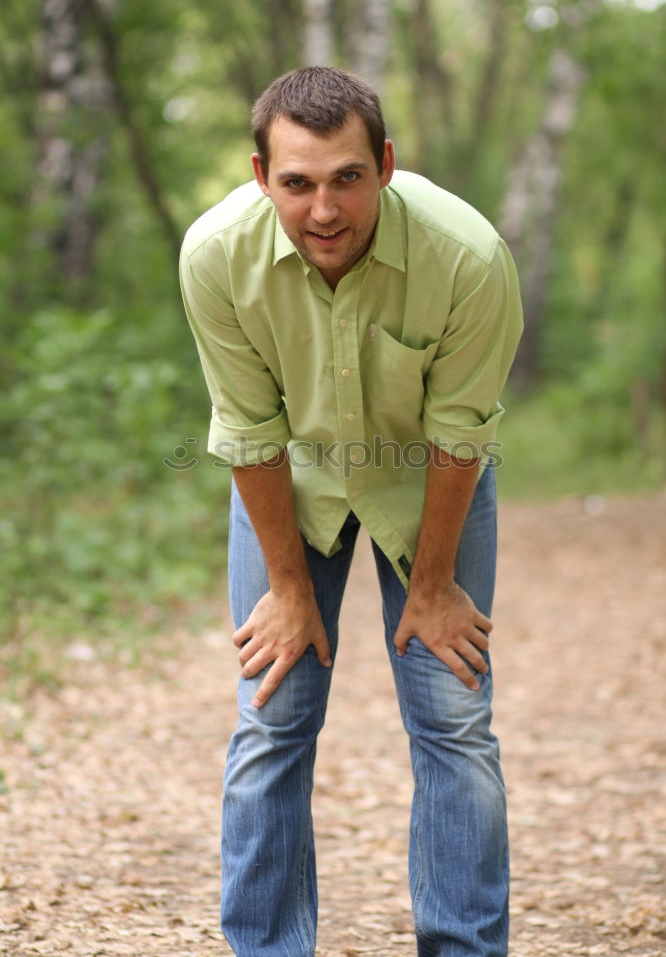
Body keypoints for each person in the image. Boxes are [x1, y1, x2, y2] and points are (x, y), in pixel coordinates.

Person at [179, 66, 523, 957]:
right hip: (289, 479)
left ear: (386, 166)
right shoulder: (217, 255)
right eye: (296, 183)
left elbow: (460, 434)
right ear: (262, 177)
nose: (323, 209)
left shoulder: (468, 257)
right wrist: (289, 589)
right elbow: (249, 430)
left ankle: (464, 948)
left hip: (429, 476)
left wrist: (437, 583)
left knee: (453, 715)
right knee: (274, 710)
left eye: (346, 178)